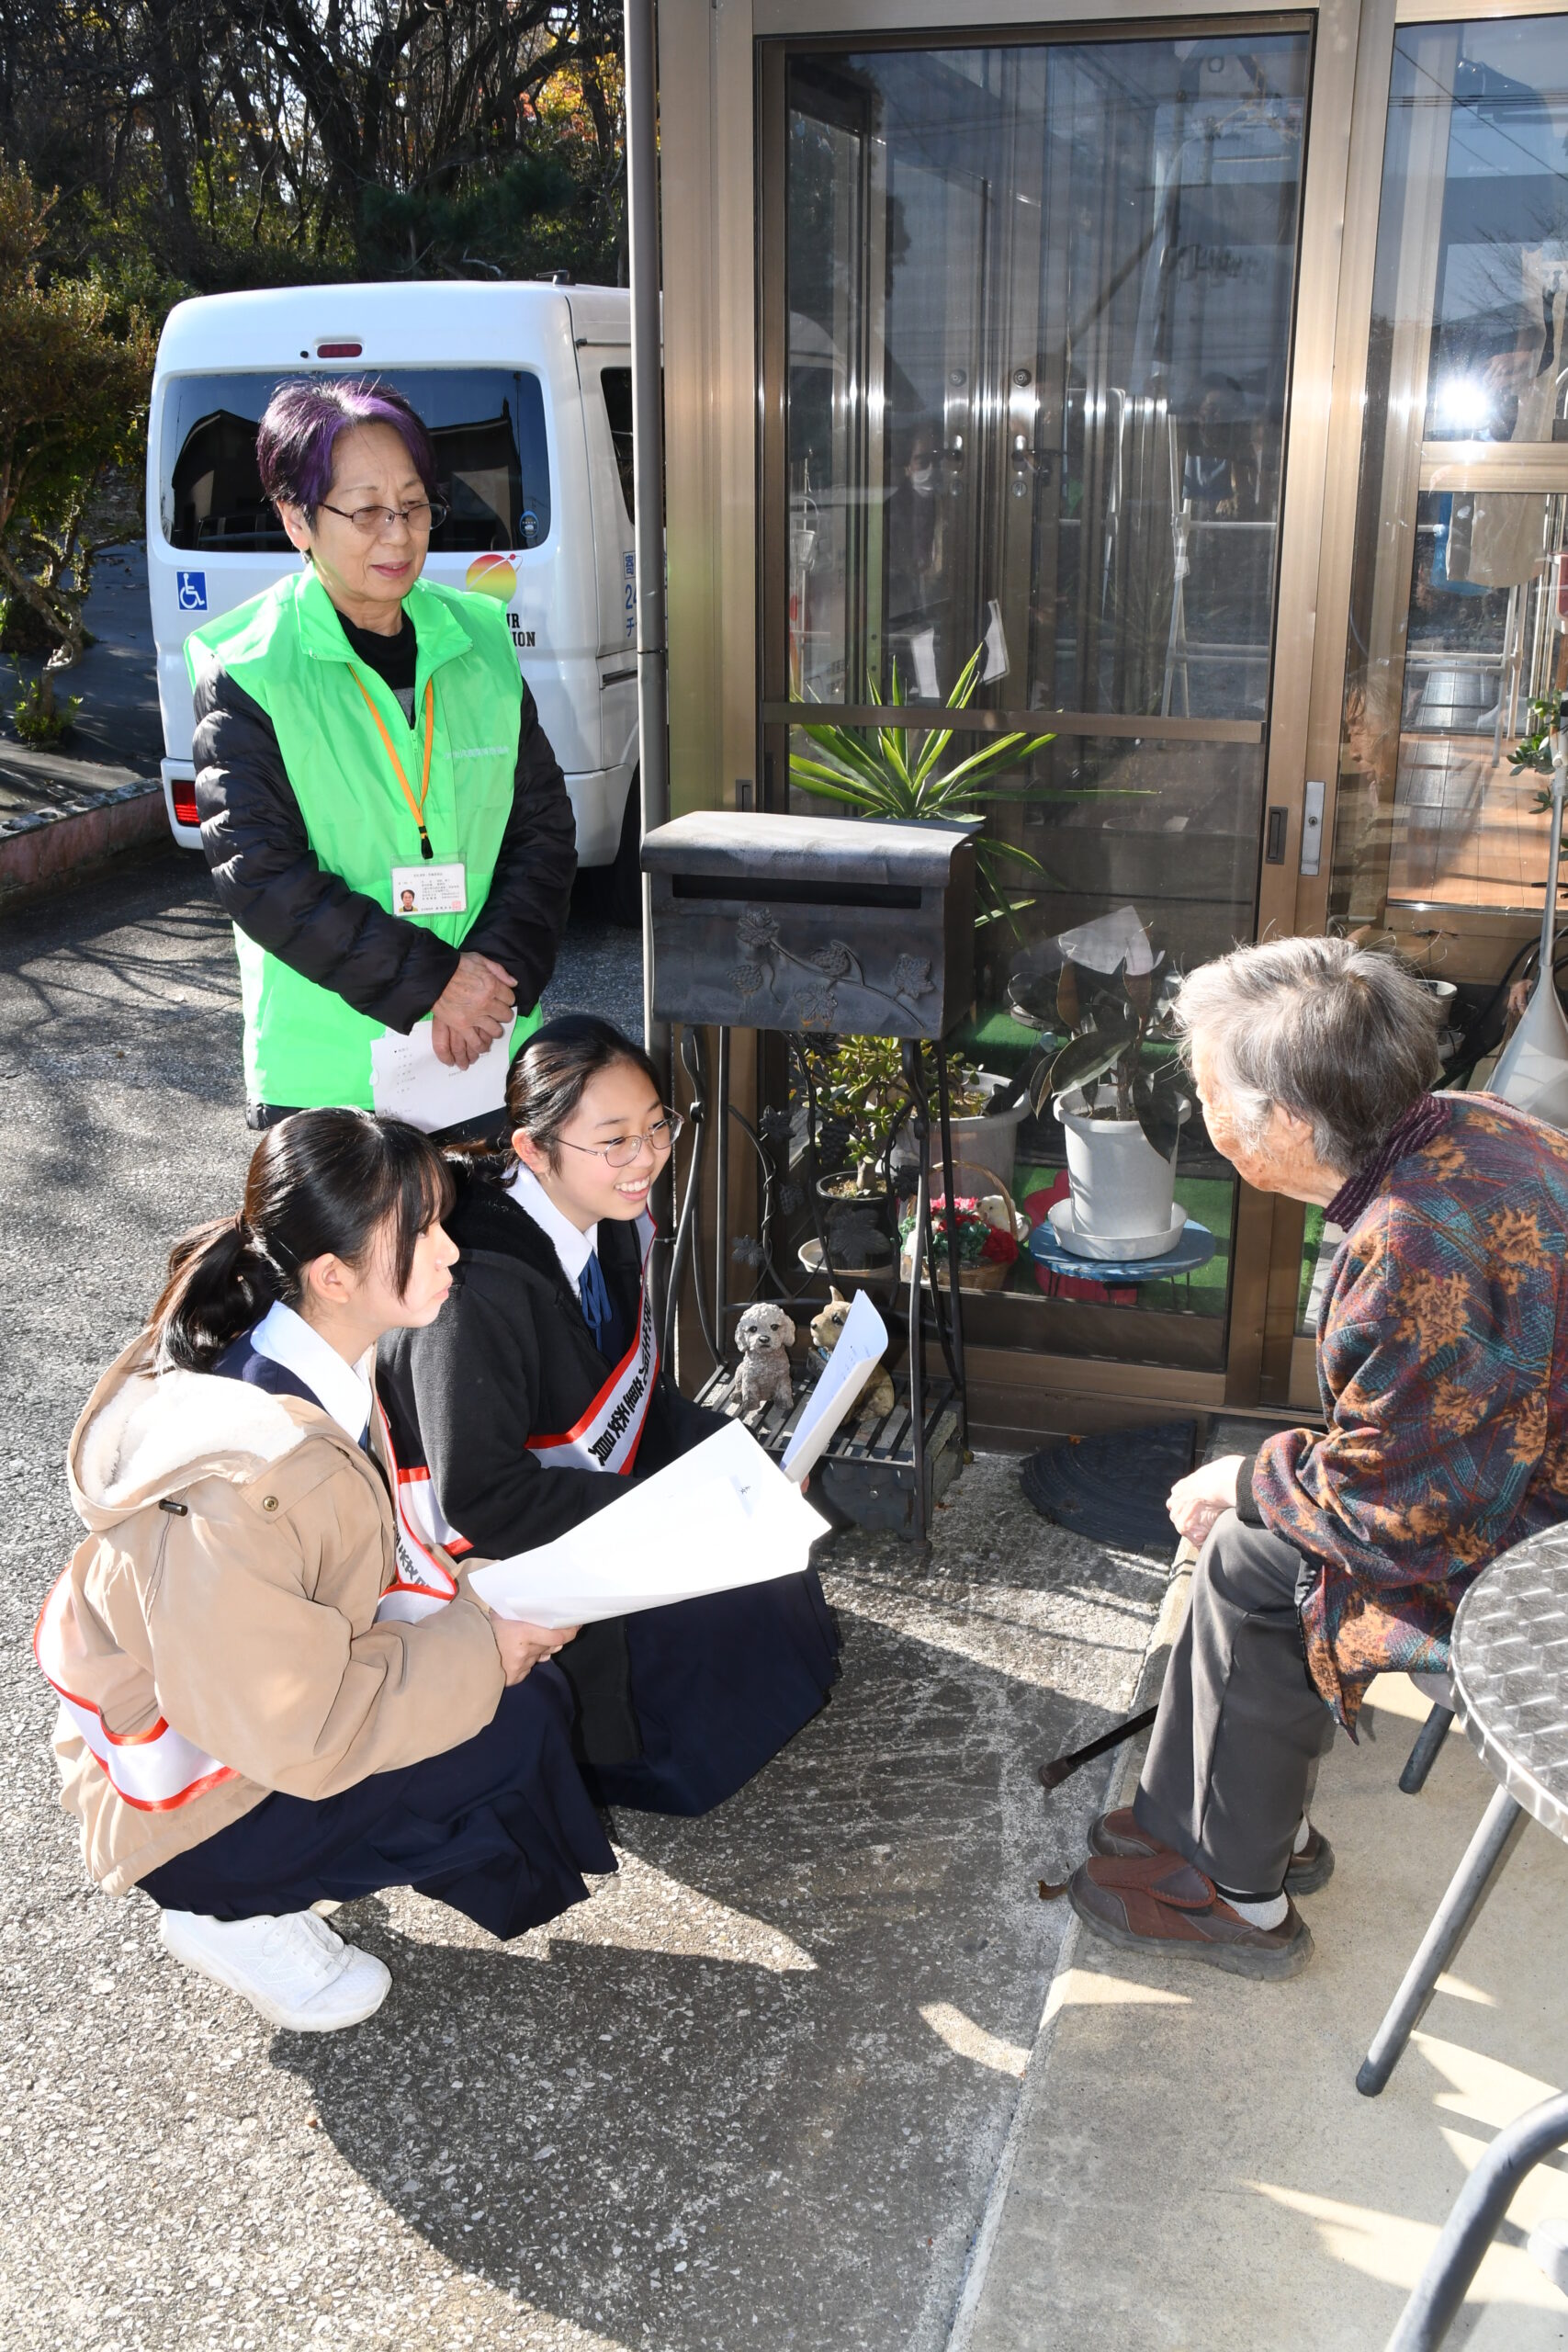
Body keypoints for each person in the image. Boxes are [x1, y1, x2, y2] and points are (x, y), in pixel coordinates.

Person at [36, 1111, 615, 2031]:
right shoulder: (258, 1471)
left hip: (221, 1726)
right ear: (332, 1275)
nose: (449, 1250)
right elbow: (302, 1729)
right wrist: (483, 1646)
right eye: (419, 1231)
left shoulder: (292, 1361)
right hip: (179, 1811)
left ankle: (267, 1875)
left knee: (506, 1679)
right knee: (513, 1719)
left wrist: (479, 1612)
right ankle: (220, 1907)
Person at [1067, 935, 1568, 1978]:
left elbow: (1394, 1510)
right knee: (1259, 1528)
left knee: (1260, 1563)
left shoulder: (1420, 1241)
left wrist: (1248, 1479)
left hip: (1541, 1560)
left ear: (1284, 1122)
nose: (1198, 1104)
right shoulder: (1471, 1128)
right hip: (1530, 1472)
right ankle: (1203, 1822)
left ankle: (1239, 1896)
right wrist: (1268, 1477)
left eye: (1209, 1086)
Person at [378, 1015, 841, 1813]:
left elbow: (634, 1399)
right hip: (490, 1555)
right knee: (711, 1604)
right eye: (614, 1139)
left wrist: (735, 1466)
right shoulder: (473, 1288)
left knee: (766, 1547)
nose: (647, 1158)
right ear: (531, 1147)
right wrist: (683, 1511)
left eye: (657, 1125)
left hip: (584, 1492)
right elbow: (483, 1496)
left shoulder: (609, 1219)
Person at [186, 376, 578, 1133]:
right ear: (296, 519)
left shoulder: (480, 639)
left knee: (492, 1252)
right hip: (330, 1074)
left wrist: (489, 982)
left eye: (414, 505)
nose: (397, 535)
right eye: (364, 511)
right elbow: (261, 874)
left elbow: (541, 829)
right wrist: (438, 984)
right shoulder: (247, 665)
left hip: (484, 1049)